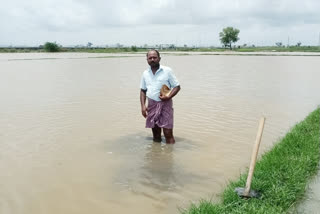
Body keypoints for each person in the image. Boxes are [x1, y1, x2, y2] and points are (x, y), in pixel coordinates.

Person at [140, 50, 181, 144]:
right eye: (150, 58)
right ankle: (157, 157)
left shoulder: (167, 71)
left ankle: (169, 156)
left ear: (159, 59)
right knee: (156, 134)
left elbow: (177, 86)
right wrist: (143, 106)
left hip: (165, 103)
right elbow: (143, 90)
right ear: (147, 59)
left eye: (155, 57)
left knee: (168, 133)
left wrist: (169, 96)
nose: (152, 59)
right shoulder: (145, 73)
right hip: (151, 105)